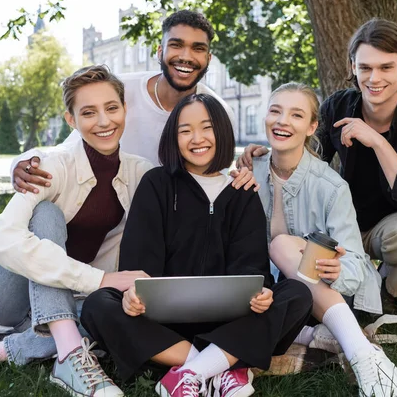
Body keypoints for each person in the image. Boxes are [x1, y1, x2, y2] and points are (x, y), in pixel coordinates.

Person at [0, 65, 154, 397]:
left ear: (125, 109)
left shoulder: (141, 173)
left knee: (112, 323)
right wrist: (103, 281)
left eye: (112, 108)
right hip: (5, 292)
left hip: (70, 299)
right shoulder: (51, 167)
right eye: (89, 112)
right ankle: (68, 354)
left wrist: (244, 170)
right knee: (47, 213)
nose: (105, 121)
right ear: (71, 120)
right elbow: (5, 240)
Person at [80, 94, 313, 397]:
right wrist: (133, 295)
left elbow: (252, 270)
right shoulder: (156, 184)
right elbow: (138, 265)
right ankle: (222, 367)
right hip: (162, 326)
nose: (197, 139)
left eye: (206, 128)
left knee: (296, 294)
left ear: (221, 132)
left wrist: (262, 295)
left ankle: (190, 373)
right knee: (98, 306)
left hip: (231, 323)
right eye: (185, 130)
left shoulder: (241, 192)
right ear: (173, 138)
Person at [238, 18, 397, 299]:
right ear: (353, 66)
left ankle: (392, 292)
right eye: (365, 67)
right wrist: (270, 155)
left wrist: (377, 142)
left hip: (395, 227)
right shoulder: (337, 107)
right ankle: (354, 283)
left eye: (386, 67)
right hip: (342, 226)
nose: (374, 79)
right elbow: (311, 165)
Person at [250, 82, 397, 396]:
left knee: (281, 244)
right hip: (277, 295)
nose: (282, 122)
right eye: (275, 111)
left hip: (328, 291)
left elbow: (352, 262)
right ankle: (315, 336)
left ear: (311, 127)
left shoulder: (331, 186)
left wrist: (337, 271)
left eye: (296, 115)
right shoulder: (248, 173)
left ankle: (361, 353)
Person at [11, 9, 253, 195]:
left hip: (169, 229)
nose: (186, 57)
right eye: (176, 45)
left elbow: (214, 182)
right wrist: (23, 164)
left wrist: (255, 164)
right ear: (160, 52)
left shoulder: (219, 111)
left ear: (208, 58)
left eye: (197, 48)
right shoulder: (119, 92)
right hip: (102, 216)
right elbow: (70, 149)